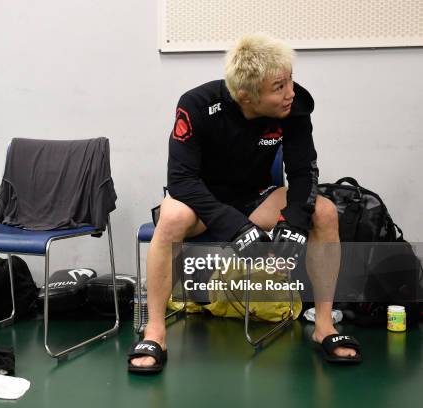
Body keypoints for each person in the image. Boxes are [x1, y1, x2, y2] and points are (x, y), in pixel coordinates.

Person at [128, 33, 362, 374]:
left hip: (255, 196)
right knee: (172, 217)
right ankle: (155, 332)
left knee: (323, 211)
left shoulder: (292, 109)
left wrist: (294, 222)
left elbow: (303, 173)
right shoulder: (196, 104)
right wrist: (236, 228)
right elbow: (181, 181)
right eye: (279, 87)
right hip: (202, 200)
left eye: (290, 80)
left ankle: (325, 325)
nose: (290, 93)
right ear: (246, 97)